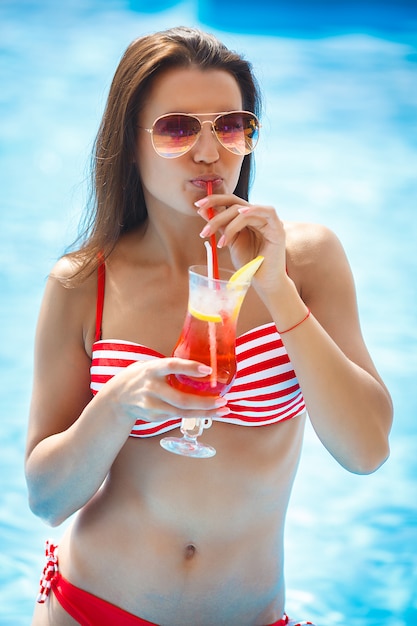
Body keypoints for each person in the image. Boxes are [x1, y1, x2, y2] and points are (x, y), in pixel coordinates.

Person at [25, 26, 393, 626]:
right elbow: (47, 500)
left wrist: (276, 289)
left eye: (230, 126)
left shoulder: (306, 260)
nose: (208, 152)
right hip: (93, 607)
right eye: (175, 128)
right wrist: (118, 403)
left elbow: (367, 451)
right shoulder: (82, 284)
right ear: (129, 144)